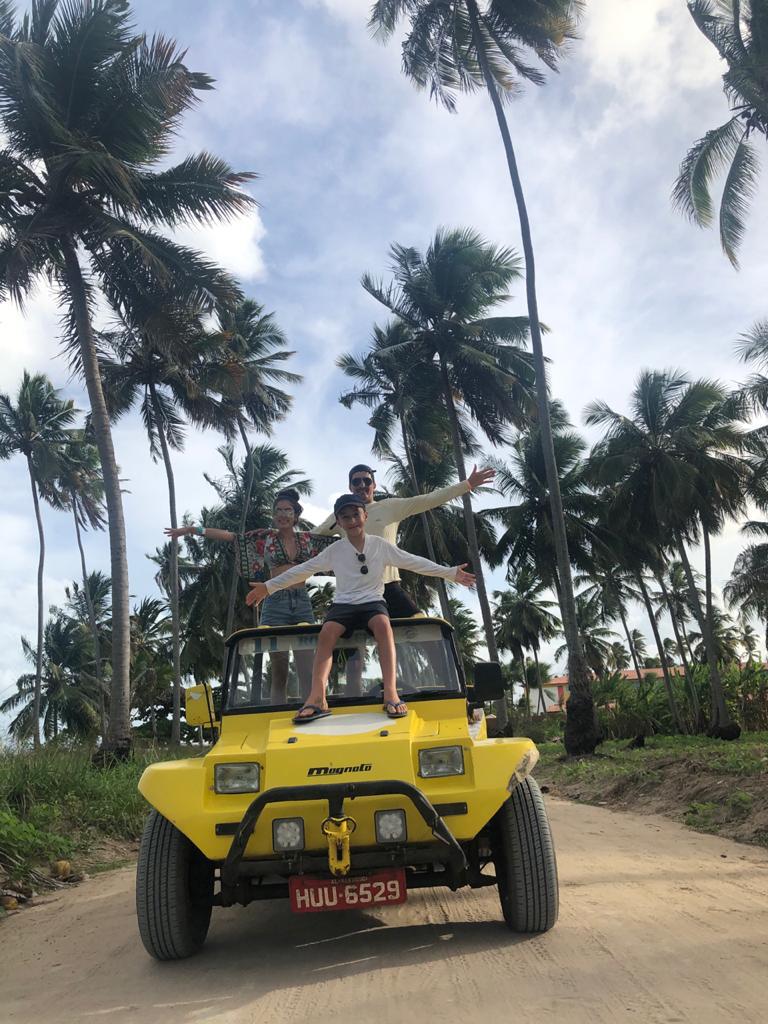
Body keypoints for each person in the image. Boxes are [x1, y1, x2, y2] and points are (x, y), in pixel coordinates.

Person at [245, 493, 476, 723]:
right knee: (326, 633)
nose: (352, 520)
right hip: (343, 604)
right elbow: (303, 570)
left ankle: (391, 693)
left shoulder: (380, 545)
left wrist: (450, 573)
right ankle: (317, 698)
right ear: (339, 522)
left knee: (383, 627)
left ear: (365, 516)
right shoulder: (335, 550)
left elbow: (413, 561)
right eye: (345, 517)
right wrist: (268, 587)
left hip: (372, 603)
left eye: (356, 515)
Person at [164, 489, 334, 703]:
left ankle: (313, 710)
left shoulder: (309, 540)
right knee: (279, 668)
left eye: (287, 510)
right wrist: (192, 529)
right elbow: (232, 537)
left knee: (307, 667)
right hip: (275, 603)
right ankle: (277, 715)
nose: (282, 514)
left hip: (301, 601)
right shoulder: (266, 537)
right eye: (278, 510)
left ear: (296, 515)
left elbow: (342, 543)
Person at [314, 463, 494, 618]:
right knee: (340, 641)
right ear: (350, 487)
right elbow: (310, 538)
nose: (362, 485)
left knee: (421, 625)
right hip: (353, 592)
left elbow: (428, 500)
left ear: (374, 485)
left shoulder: (390, 507)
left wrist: (467, 485)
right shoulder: (338, 517)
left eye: (367, 481)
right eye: (356, 481)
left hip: (389, 587)